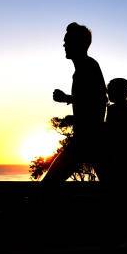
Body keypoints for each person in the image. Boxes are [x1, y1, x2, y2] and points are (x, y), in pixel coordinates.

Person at [42, 22, 108, 185]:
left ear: (80, 43)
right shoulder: (84, 68)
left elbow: (99, 99)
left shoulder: (88, 66)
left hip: (87, 140)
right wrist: (68, 99)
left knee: (48, 185)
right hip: (89, 140)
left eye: (68, 40)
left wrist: (68, 100)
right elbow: (90, 97)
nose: (64, 44)